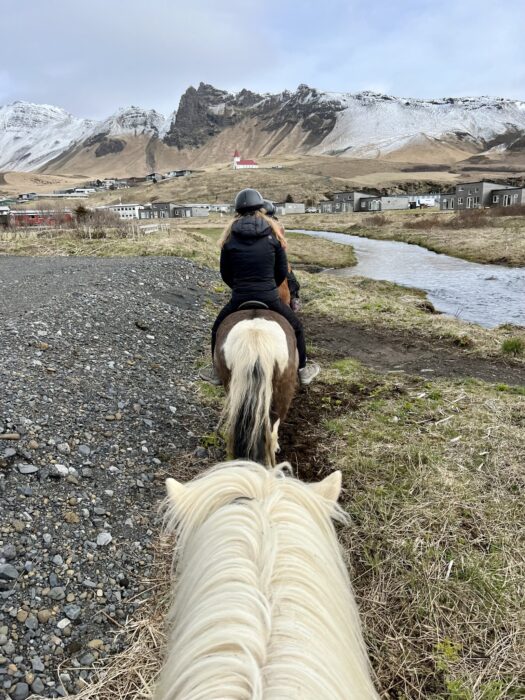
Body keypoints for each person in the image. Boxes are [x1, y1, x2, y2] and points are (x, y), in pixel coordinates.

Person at [199, 188, 319, 386]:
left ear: (237, 211)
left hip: (240, 297)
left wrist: (238, 287)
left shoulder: (229, 237)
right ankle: (303, 370)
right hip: (270, 297)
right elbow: (282, 272)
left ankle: (216, 371)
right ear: (261, 209)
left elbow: (225, 273)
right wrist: (270, 286)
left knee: (217, 328)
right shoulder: (273, 233)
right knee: (296, 327)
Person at [262, 200, 301, 311]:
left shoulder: (254, 224)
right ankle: (294, 298)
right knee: (287, 272)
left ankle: (293, 297)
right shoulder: (277, 225)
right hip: (274, 256)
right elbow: (282, 245)